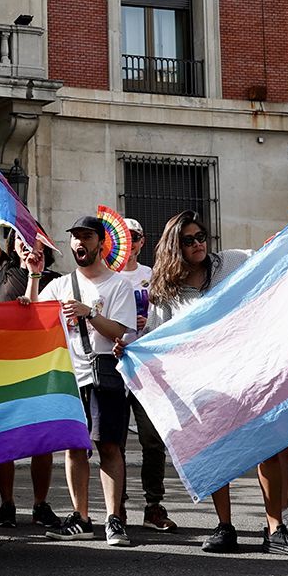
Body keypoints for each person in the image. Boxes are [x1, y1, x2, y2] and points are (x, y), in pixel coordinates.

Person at [143, 210, 288, 557]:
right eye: (189, 240)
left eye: (201, 236)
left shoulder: (231, 262)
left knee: (266, 449)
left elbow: (272, 256)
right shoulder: (165, 292)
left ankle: (275, 530)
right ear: (175, 246)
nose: (198, 244)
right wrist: (130, 348)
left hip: (246, 374)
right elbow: (154, 337)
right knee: (218, 452)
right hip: (203, 385)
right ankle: (224, 526)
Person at [24, 216, 136, 547]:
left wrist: (89, 313)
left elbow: (120, 331)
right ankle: (81, 518)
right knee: (75, 447)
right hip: (70, 375)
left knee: (109, 446)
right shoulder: (60, 284)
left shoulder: (118, 285)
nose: (78, 243)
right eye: (74, 238)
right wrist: (33, 273)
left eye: (86, 237)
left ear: (101, 243)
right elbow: (32, 314)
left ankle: (114, 519)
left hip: (106, 372)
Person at [0, 224, 63, 531]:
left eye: (35, 239)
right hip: (4, 364)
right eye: (22, 239)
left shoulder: (56, 281)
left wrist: (35, 274)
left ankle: (41, 505)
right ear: (13, 245)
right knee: (5, 437)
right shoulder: (3, 268)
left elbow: (40, 316)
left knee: (42, 440)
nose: (29, 245)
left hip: (40, 366)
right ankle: (7, 504)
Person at [116, 217, 175, 532]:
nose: (130, 242)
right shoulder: (105, 277)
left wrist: (148, 325)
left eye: (135, 236)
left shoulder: (152, 277)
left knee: (153, 441)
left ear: (141, 241)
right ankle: (118, 508)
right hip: (112, 367)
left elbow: (165, 321)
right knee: (116, 443)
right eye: (124, 237)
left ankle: (153, 505)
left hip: (147, 368)